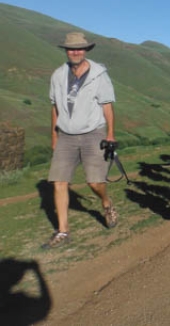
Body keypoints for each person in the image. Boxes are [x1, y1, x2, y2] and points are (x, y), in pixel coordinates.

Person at [43, 32, 118, 249]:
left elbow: (107, 106)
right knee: (59, 182)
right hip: (66, 134)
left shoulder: (98, 74)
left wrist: (110, 134)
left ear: (86, 50)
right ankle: (63, 231)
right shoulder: (58, 75)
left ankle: (106, 202)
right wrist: (54, 135)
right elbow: (54, 107)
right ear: (66, 51)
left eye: (79, 48)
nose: (75, 52)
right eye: (71, 48)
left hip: (93, 132)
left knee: (94, 182)